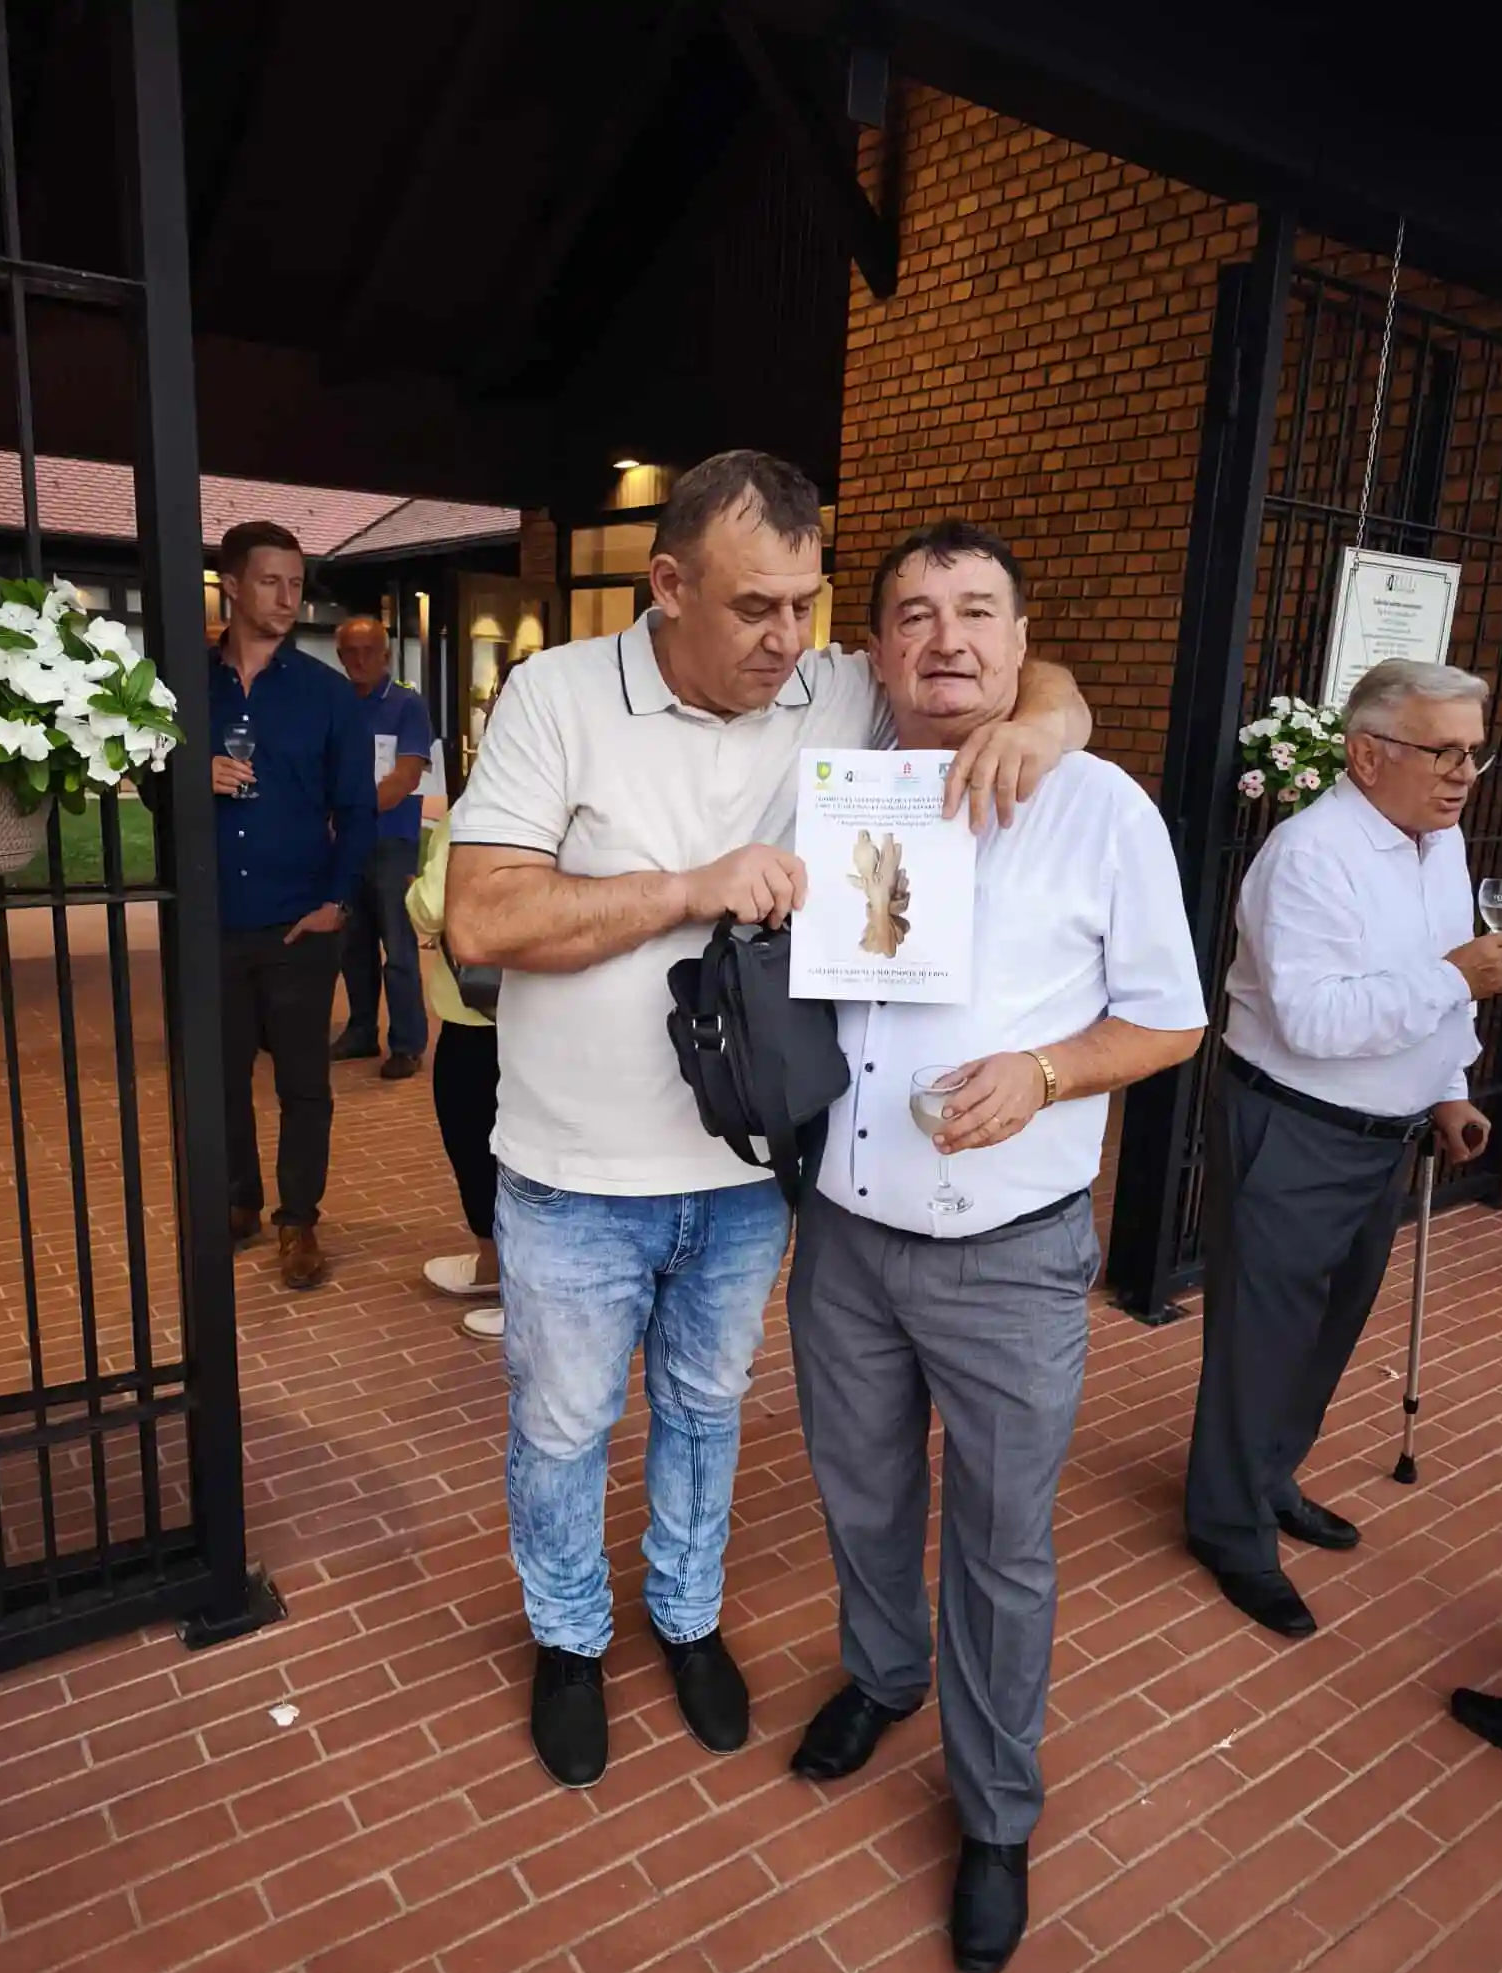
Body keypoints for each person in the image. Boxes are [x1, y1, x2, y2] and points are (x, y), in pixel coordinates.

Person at [444, 451, 1091, 1792]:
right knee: (563, 1426)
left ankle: (685, 1615)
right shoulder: (558, 695)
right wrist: (694, 886)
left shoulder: (829, 688)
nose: (787, 639)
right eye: (753, 607)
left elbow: (1002, 670)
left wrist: (1050, 719)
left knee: (706, 1408)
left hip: (749, 1167)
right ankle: (569, 1638)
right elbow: (483, 918)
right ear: (667, 585)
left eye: (806, 603)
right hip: (572, 1169)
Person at [786, 521, 1205, 1973]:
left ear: (1024, 644)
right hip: (844, 1233)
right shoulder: (840, 776)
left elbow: (1172, 1018)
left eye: (978, 613)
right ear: (875, 648)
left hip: (1009, 1253)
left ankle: (995, 1812)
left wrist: (1045, 1071)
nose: (946, 638)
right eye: (914, 614)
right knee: (860, 1491)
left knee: (1003, 1541)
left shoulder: (1099, 806)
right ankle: (885, 1673)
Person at [1185, 659, 1502, 1640]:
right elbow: (1316, 1020)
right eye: (1442, 751)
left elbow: (1435, 993)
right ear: (1367, 755)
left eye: (1475, 753)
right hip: (1295, 1124)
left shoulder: (1439, 844)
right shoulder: (1309, 854)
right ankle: (1229, 1526)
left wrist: (1450, 1089)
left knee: (1328, 1327)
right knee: (1262, 1337)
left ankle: (1268, 1475)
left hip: (1384, 1133)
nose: (1463, 774)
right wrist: (1457, 978)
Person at [211, 521, 376, 1289]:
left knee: (304, 1085)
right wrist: (188, 777)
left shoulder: (326, 693)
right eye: (270, 581)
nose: (286, 598)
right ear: (232, 586)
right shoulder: (186, 686)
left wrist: (337, 903)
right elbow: (145, 778)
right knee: (220, 1080)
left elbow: (359, 810)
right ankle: (238, 1202)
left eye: (296, 583)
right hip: (211, 925)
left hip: (301, 925)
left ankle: (298, 1220)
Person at [406, 810, 504, 1337]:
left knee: (478, 1141)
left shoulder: (478, 812)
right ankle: (496, 1266)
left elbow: (432, 904)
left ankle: (515, 1282)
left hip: (481, 1012)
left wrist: (414, 893)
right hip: (541, 1004)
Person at [330, 616, 434, 1079]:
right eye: (350, 652)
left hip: (392, 841)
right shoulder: (334, 703)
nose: (359, 660)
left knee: (398, 948)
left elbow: (406, 776)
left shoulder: (407, 705)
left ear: (386, 655)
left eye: (368, 650)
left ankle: (407, 1043)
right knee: (352, 944)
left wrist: (351, 813)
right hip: (344, 844)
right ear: (339, 656)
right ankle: (361, 1031)